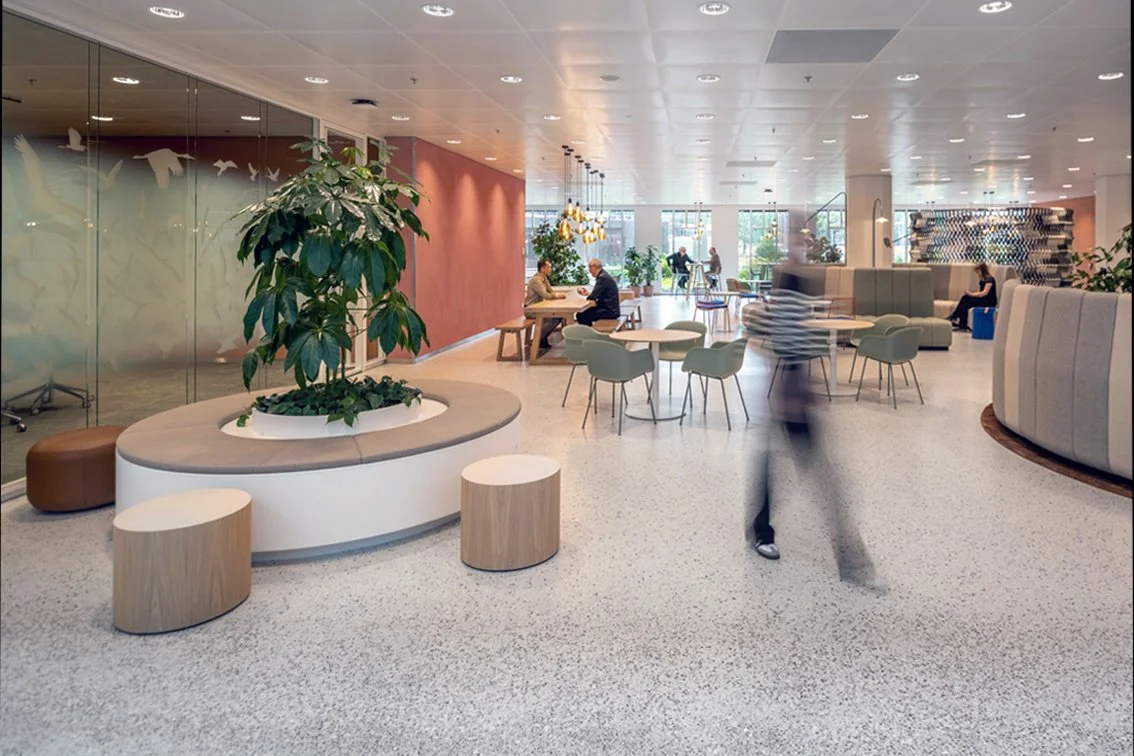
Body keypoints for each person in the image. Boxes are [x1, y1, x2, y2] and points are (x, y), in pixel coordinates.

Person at [746, 246, 878, 589]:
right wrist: (791, 392)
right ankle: (847, 551)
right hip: (789, 401)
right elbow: (786, 353)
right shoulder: (790, 306)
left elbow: (793, 351)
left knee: (799, 471)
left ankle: (764, 530)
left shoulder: (794, 307)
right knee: (818, 474)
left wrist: (804, 386)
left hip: (792, 399)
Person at [524, 258, 566, 349]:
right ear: (542, 268)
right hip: (531, 309)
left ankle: (542, 338)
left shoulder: (544, 279)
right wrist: (558, 295)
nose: (551, 269)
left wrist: (555, 295)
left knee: (559, 317)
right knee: (553, 319)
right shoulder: (536, 280)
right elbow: (546, 295)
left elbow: (551, 291)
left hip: (539, 308)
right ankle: (537, 339)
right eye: (549, 267)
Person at [948, 262, 998, 332]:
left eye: (978, 271)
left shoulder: (989, 280)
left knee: (965, 299)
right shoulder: (982, 279)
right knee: (965, 301)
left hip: (988, 301)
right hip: (983, 299)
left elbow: (984, 293)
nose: (977, 273)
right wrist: (971, 295)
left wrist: (971, 294)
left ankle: (956, 317)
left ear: (982, 270)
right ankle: (962, 324)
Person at [576, 258, 621, 327]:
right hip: (612, 309)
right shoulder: (604, 275)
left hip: (610, 311)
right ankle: (590, 332)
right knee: (584, 313)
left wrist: (589, 297)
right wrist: (588, 294)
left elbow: (593, 297)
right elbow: (597, 294)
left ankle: (589, 334)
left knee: (581, 315)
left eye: (590, 268)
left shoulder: (602, 278)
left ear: (594, 267)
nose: (589, 271)